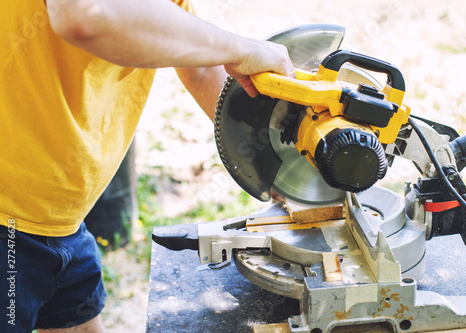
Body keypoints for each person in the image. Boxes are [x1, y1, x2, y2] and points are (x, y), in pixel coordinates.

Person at [0, 0, 294, 332]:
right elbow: (84, 14)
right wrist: (239, 50)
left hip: (62, 219)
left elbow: (202, 66)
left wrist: (283, 170)